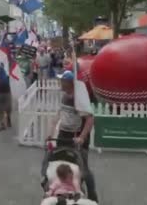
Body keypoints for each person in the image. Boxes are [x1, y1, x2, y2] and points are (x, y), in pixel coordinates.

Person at [48, 70, 98, 202]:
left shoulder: (78, 99)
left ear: (69, 83)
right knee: (61, 166)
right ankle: (63, 192)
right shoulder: (65, 96)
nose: (60, 83)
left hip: (77, 137)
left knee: (83, 169)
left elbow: (90, 119)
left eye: (62, 81)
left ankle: (92, 195)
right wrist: (51, 131)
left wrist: (82, 137)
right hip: (63, 134)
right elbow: (59, 114)